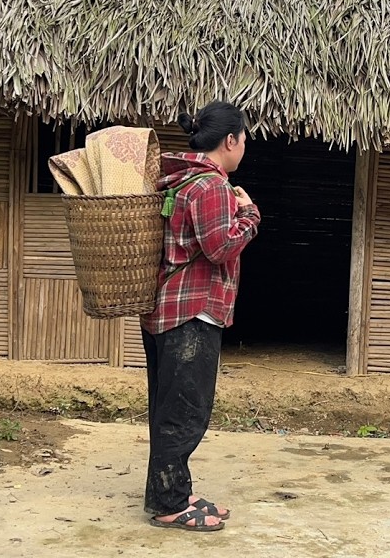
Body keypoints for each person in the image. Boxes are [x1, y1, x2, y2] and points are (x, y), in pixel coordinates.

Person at [142, 101, 261, 532]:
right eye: (244, 140)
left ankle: (172, 490)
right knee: (185, 413)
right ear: (230, 141)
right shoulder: (209, 186)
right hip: (193, 313)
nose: (244, 147)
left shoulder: (179, 179)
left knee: (167, 408)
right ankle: (170, 505)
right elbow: (219, 248)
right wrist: (250, 216)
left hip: (164, 310)